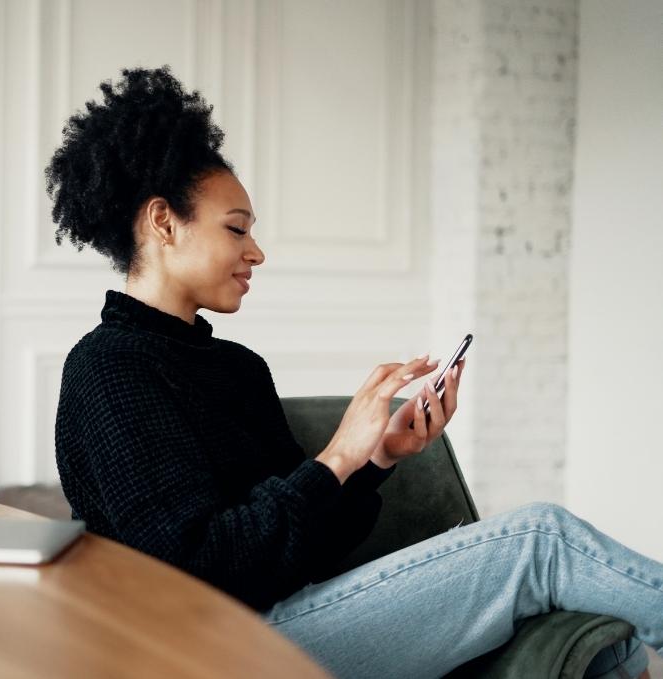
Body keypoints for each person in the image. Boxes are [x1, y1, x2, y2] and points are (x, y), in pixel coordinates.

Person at [47, 65, 662, 679]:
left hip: (287, 616)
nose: (256, 251)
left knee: (610, 642)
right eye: (236, 228)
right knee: (542, 540)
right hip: (207, 648)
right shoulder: (108, 369)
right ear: (163, 223)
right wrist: (336, 457)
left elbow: (302, 549)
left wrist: (376, 459)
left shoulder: (236, 368)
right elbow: (193, 570)